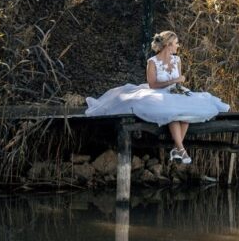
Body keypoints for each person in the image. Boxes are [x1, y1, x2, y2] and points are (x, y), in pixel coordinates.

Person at [85, 31, 230, 164]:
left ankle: (177, 148)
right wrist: (174, 81)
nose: (178, 46)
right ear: (167, 45)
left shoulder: (177, 60)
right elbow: (153, 85)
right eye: (176, 43)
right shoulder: (152, 62)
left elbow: (178, 80)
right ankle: (181, 149)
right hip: (158, 93)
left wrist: (178, 85)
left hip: (175, 92)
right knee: (173, 113)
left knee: (187, 112)